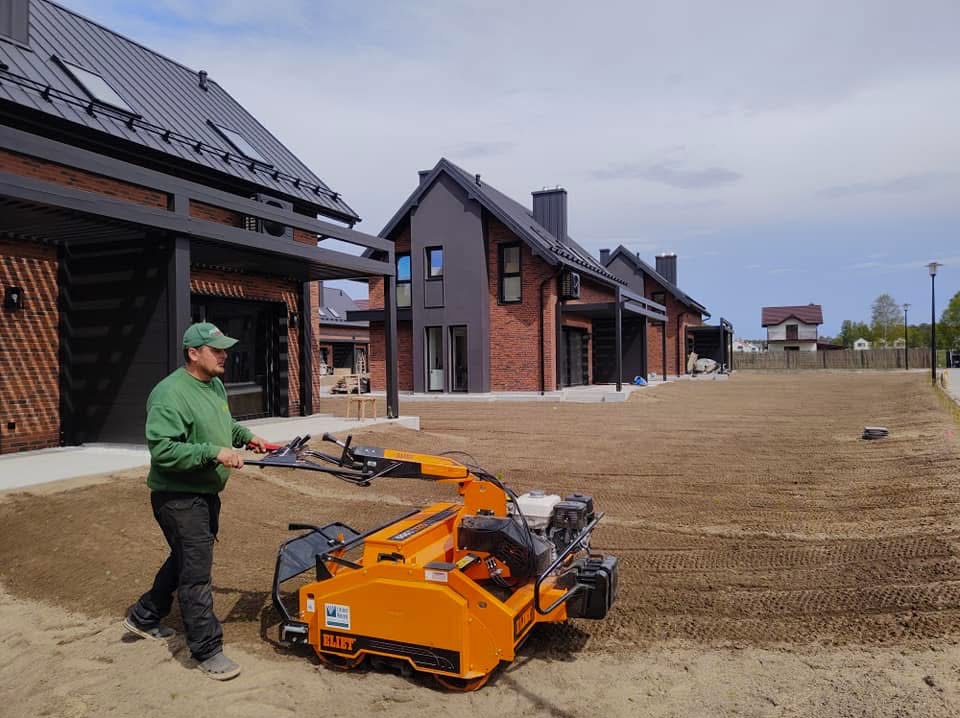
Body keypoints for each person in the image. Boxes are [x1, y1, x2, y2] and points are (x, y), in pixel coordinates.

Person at [123, 322, 269, 681]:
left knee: (185, 558)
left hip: (204, 493)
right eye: (216, 350)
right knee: (196, 574)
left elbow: (223, 423)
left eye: (224, 349)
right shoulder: (169, 394)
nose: (224, 355)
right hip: (178, 497)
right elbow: (163, 450)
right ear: (193, 353)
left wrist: (247, 436)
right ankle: (206, 650)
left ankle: (143, 616)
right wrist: (213, 452)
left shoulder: (214, 384)